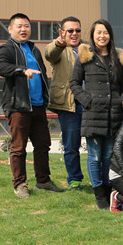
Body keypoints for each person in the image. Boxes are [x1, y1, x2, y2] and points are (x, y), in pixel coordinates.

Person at [0, 13, 63, 198]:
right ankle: (20, 184)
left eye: (26, 26)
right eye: (19, 26)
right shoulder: (7, 48)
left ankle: (43, 181)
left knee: (43, 145)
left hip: (38, 105)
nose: (23, 29)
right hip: (19, 106)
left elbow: (42, 74)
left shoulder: (33, 49)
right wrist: (22, 70)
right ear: (10, 29)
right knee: (18, 147)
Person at [70, 19, 123, 209]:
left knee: (109, 156)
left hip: (114, 115)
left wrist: (122, 100)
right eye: (98, 32)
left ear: (110, 35)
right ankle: (99, 193)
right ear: (93, 35)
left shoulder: (118, 58)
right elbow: (74, 83)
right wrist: (87, 100)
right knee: (95, 156)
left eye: (105, 32)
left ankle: (107, 188)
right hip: (93, 114)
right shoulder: (85, 57)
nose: (102, 36)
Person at [44, 16, 84, 190]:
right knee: (72, 144)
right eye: (70, 30)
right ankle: (74, 179)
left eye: (77, 30)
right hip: (69, 104)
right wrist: (59, 43)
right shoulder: (59, 49)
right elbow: (49, 54)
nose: (74, 34)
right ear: (62, 32)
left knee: (96, 144)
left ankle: (100, 179)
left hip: (89, 102)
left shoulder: (87, 49)